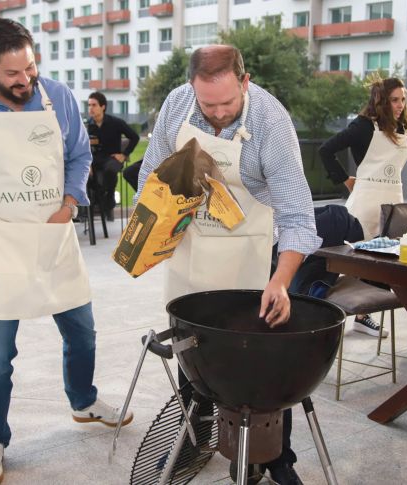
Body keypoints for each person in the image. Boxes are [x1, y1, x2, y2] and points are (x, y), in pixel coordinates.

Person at [0, 19, 132, 485]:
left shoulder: (59, 99)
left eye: (30, 68)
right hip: (5, 243)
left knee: (83, 334)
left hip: (54, 236)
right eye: (13, 73)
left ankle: (83, 401)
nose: (25, 80)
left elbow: (79, 155)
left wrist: (71, 202)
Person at [136, 45, 322, 485]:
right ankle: (192, 441)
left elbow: (297, 216)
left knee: (264, 363)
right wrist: (152, 227)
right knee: (191, 353)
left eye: (227, 102)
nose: (218, 113)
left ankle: (277, 460)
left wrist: (281, 281)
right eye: (207, 104)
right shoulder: (177, 106)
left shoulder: (271, 123)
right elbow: (150, 177)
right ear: (191, 88)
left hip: (250, 254)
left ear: (245, 80)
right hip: (193, 247)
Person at [318, 76, 407, 338]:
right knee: (349, 261)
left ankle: (364, 318)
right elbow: (326, 150)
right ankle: (326, 313)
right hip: (365, 203)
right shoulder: (364, 127)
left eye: (403, 100)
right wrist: (345, 179)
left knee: (384, 261)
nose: (400, 105)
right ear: (381, 101)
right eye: (394, 100)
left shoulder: (400, 128)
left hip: (392, 202)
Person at [86, 91, 139, 221]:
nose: (90, 108)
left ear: (103, 106)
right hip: (95, 160)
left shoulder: (115, 122)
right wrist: (87, 164)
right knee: (87, 175)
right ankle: (98, 201)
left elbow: (134, 137)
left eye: (94, 105)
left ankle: (108, 197)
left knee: (110, 169)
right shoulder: (87, 126)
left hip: (113, 158)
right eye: (89, 105)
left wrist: (124, 154)